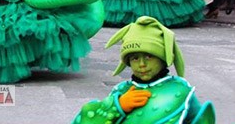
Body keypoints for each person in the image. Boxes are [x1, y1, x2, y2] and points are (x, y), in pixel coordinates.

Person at [72, 16, 216, 124]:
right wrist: (118, 106)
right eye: (134, 58)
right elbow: (85, 118)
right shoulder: (122, 91)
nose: (142, 64)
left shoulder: (181, 89)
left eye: (149, 56)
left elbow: (200, 119)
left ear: (163, 58)